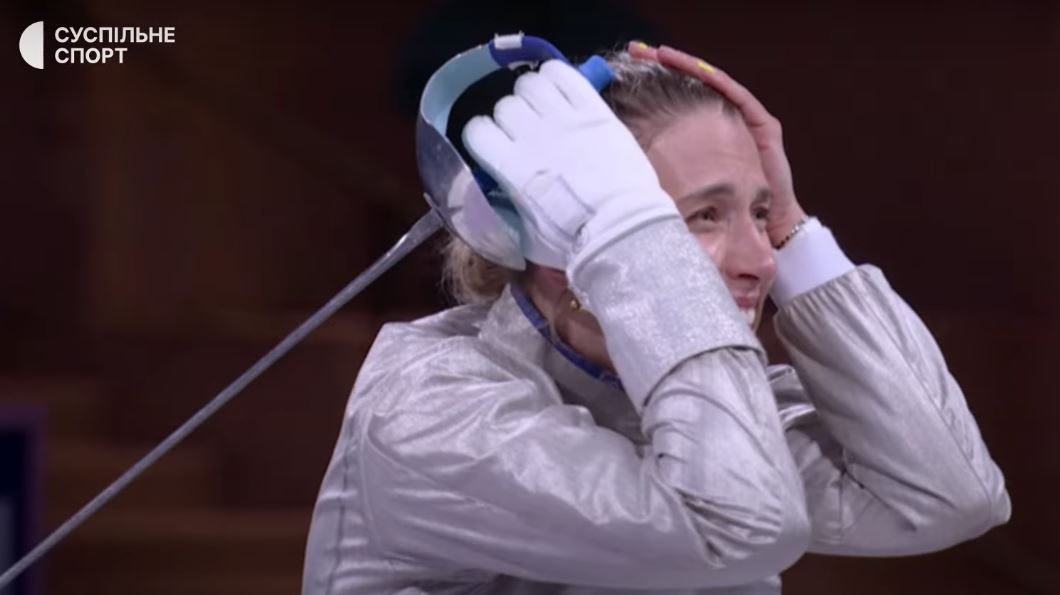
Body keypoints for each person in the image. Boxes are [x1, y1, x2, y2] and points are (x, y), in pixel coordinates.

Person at [302, 42, 1011, 595]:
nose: (761, 262)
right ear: (559, 241)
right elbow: (741, 523)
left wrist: (796, 229)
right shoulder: (428, 412)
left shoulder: (719, 399)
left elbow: (952, 495)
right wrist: (629, 234)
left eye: (758, 213)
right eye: (702, 216)